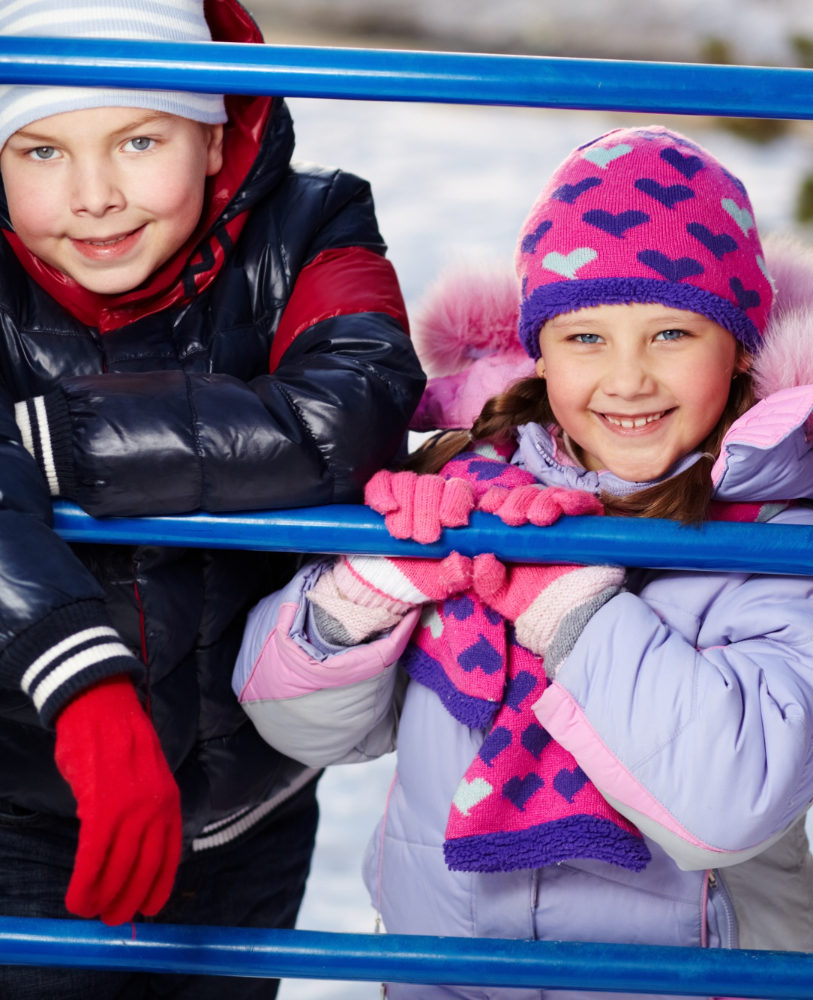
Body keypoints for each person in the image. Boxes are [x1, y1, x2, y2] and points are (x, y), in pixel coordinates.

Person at [232, 125, 813, 997]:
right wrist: (371, 589)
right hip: (449, 977)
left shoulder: (778, 538)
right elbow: (300, 727)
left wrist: (569, 606)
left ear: (740, 346)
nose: (627, 379)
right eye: (586, 338)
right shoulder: (473, 488)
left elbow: (733, 801)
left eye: (671, 333)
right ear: (537, 351)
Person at [0, 0, 423, 995]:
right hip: (24, 796)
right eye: (42, 150)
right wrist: (84, 689)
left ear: (217, 137)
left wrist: (52, 445)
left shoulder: (312, 224)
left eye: (139, 140)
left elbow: (353, 410)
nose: (95, 197)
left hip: (250, 807)